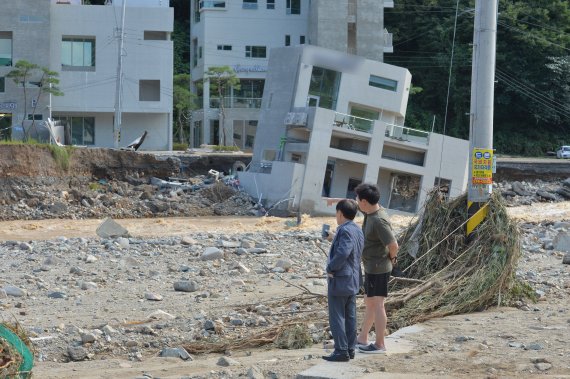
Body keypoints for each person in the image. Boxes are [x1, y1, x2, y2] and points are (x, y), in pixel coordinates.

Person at [354, 183, 398, 354]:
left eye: (358, 200)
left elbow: (393, 244)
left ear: (364, 201)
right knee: (370, 302)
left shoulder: (378, 220)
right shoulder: (371, 212)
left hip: (379, 267)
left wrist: (392, 258)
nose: (356, 202)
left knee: (378, 304)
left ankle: (380, 344)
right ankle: (362, 338)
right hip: (372, 267)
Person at [322, 199, 364, 362]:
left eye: (336, 213)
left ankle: (341, 350)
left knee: (337, 316)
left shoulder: (344, 230)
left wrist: (330, 268)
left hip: (340, 280)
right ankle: (350, 349)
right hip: (353, 279)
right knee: (350, 316)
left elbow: (343, 253)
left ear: (340, 213)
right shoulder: (357, 229)